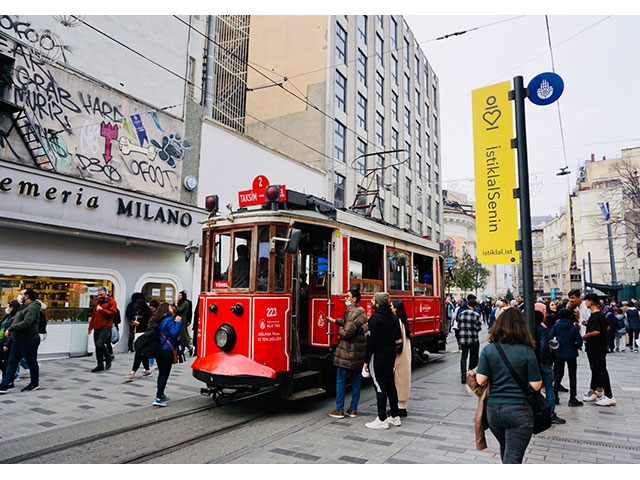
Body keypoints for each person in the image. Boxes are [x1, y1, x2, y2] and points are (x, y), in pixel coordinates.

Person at [475, 307, 542, 464]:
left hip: (493, 411)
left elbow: (480, 380)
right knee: (513, 456)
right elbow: (536, 385)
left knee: (506, 449)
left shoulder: (488, 350)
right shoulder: (527, 351)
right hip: (519, 411)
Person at [363, 292, 402, 430]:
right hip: (390, 353)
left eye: (373, 300)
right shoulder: (394, 318)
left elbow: (370, 342)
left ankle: (381, 418)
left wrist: (366, 361)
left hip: (377, 355)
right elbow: (398, 337)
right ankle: (394, 415)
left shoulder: (375, 319)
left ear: (378, 303)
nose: (371, 301)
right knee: (390, 384)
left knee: (380, 386)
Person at [327, 288, 368, 419]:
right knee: (356, 381)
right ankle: (353, 409)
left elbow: (347, 332)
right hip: (358, 353)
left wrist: (339, 330)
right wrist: (335, 321)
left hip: (347, 352)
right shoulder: (361, 312)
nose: (345, 299)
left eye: (347, 296)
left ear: (354, 299)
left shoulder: (352, 312)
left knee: (340, 381)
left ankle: (339, 410)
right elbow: (352, 325)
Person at [0, 289, 42, 393]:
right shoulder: (23, 307)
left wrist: (11, 329)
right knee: (12, 362)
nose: (20, 296)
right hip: (17, 339)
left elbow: (27, 322)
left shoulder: (32, 307)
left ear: (27, 296)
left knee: (31, 362)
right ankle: (5, 385)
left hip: (28, 339)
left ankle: (34, 383)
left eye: (22, 294)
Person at [582, 293, 616, 406]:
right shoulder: (600, 314)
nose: (585, 303)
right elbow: (607, 327)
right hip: (600, 346)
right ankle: (594, 390)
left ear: (591, 302)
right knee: (596, 369)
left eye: (586, 301)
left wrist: (585, 336)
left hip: (595, 347)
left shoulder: (596, 315)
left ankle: (609, 396)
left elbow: (597, 331)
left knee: (600, 370)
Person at [534, 309, 565, 424]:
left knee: (534, 387)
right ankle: (550, 412)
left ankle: (536, 410)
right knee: (548, 387)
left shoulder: (527, 330)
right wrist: (542, 360)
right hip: (544, 362)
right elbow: (543, 346)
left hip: (532, 362)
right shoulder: (543, 330)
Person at [549, 307, 583, 407]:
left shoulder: (556, 326)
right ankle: (572, 398)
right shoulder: (573, 328)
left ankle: (555, 395)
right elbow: (579, 341)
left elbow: (550, 336)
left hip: (559, 353)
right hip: (571, 353)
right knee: (572, 375)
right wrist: (575, 346)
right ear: (570, 316)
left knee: (559, 374)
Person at [150, 302, 182, 407]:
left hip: (159, 351)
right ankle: (158, 398)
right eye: (170, 307)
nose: (172, 308)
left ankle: (161, 394)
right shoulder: (168, 320)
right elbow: (174, 334)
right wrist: (178, 323)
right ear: (166, 309)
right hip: (166, 350)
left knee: (161, 373)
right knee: (164, 374)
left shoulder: (158, 320)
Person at [88, 286, 117, 373]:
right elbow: (94, 316)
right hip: (97, 327)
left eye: (101, 294)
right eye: (98, 295)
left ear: (106, 293)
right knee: (97, 346)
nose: (99, 296)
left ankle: (108, 357)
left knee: (100, 344)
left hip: (106, 327)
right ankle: (100, 364)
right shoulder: (97, 303)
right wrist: (90, 327)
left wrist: (102, 310)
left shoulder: (111, 301)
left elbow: (112, 313)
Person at [124, 298, 153, 382]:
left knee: (139, 353)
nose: (137, 310)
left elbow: (148, 325)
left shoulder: (148, 314)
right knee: (142, 353)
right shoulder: (138, 313)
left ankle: (132, 373)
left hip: (145, 335)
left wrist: (139, 324)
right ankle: (147, 370)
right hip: (138, 334)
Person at [392, 299, 411, 417]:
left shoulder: (397, 321)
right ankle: (402, 406)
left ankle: (400, 408)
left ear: (396, 309)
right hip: (405, 354)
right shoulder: (403, 321)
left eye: (392, 306)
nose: (390, 308)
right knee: (403, 380)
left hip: (399, 355)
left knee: (398, 380)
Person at [457, 297, 482, 384]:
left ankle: (463, 375)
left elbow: (459, 326)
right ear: (474, 306)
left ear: (468, 305)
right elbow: (479, 328)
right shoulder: (476, 315)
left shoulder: (461, 314)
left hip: (463, 339)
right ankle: (471, 374)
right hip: (473, 339)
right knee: (473, 357)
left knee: (463, 357)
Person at [0, 300, 21, 384]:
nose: (6, 308)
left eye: (8, 306)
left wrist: (6, 344)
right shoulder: (7, 316)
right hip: (2, 340)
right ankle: (8, 379)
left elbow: (12, 333)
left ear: (12, 308)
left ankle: (8, 380)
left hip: (7, 342)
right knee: (5, 362)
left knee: (8, 362)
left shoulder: (14, 318)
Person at [175, 290, 194, 357]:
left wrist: (176, 305)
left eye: (180, 295)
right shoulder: (180, 302)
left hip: (182, 319)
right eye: (178, 295)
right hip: (178, 319)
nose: (178, 296)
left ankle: (189, 347)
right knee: (179, 335)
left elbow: (179, 310)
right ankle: (181, 349)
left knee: (183, 335)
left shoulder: (185, 303)